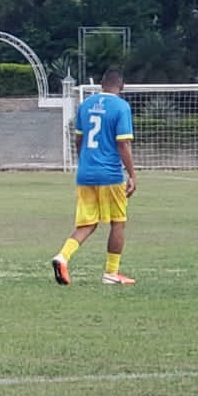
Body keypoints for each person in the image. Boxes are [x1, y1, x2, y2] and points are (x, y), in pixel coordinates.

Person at [51, 69, 137, 285]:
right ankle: (111, 273)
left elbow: (78, 140)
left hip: (85, 174)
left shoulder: (86, 105)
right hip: (109, 174)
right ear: (122, 86)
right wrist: (132, 174)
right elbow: (123, 143)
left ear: (101, 84)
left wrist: (85, 163)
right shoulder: (121, 107)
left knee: (87, 224)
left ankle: (62, 257)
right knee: (118, 222)